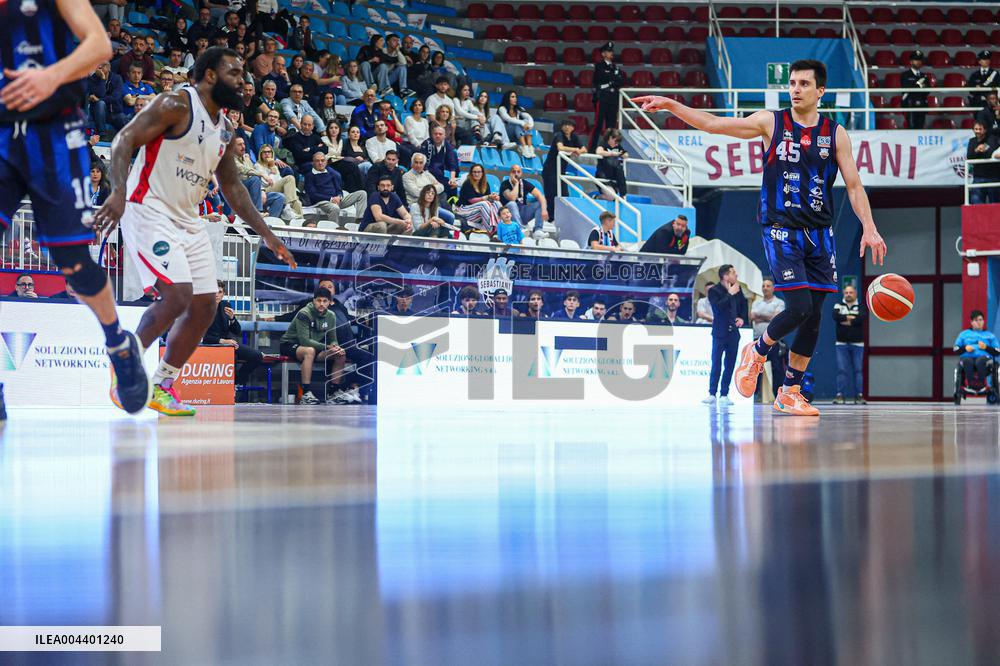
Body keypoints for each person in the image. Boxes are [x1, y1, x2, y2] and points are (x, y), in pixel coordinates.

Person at [635, 58, 887, 416]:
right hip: (781, 228)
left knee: (814, 316)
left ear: (821, 90)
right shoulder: (772, 122)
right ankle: (756, 351)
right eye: (792, 83)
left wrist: (870, 227)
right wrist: (672, 105)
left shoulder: (835, 134)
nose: (795, 89)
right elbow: (714, 124)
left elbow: (854, 185)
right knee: (799, 307)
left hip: (820, 233)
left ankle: (790, 391)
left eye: (804, 84)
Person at [95, 47, 296, 416]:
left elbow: (233, 187)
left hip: (187, 218)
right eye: (234, 73)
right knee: (177, 296)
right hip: (148, 207)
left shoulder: (226, 129)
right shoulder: (176, 104)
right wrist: (118, 192)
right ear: (210, 76)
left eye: (243, 74)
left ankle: (162, 384)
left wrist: (267, 233)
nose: (243, 81)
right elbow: (124, 140)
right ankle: (125, 361)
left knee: (205, 304)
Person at [0, 0, 150, 417]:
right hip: (2, 136)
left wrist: (50, 75)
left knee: (75, 263)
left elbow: (99, 45)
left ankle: (118, 344)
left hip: (53, 134)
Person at [279, 287, 347, 405]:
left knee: (340, 354)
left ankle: (333, 392)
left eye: (325, 301)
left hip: (314, 348)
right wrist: (327, 347)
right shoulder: (304, 313)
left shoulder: (331, 315)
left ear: (329, 302)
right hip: (290, 345)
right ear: (313, 300)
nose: (321, 304)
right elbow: (305, 341)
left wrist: (336, 347)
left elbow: (333, 339)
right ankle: (305, 393)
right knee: (309, 351)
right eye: (319, 300)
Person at [203, 281, 263, 395]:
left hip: (228, 344)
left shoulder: (225, 305)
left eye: (219, 292)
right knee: (232, 356)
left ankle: (236, 382)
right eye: (214, 292)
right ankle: (226, 389)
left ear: (223, 294)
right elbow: (203, 337)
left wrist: (232, 318)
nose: (216, 295)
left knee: (257, 356)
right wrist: (223, 341)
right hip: (211, 344)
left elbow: (237, 331)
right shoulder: (203, 308)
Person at [704, 265, 747, 406]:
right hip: (719, 332)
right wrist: (729, 294)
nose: (736, 275)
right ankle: (712, 393)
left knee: (730, 364)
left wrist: (742, 318)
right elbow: (717, 308)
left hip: (733, 332)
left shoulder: (737, 289)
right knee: (716, 362)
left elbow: (743, 304)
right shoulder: (714, 291)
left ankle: (724, 394)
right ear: (725, 276)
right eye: (733, 273)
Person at [303, 151, 368, 224]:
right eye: (317, 161)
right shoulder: (309, 176)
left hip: (336, 200)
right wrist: (331, 199)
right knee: (335, 208)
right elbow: (312, 195)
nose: (320, 163)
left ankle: (359, 221)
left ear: (326, 162)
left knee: (362, 194)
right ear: (313, 163)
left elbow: (339, 189)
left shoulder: (332, 173)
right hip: (321, 202)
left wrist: (339, 196)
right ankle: (334, 227)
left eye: (322, 160)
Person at [542, 119, 586, 221]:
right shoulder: (559, 135)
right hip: (550, 170)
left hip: (561, 171)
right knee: (551, 193)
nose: (567, 127)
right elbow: (560, 147)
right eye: (565, 125)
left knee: (564, 193)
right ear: (562, 127)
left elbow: (584, 149)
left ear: (573, 128)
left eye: (569, 125)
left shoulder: (574, 137)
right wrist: (575, 149)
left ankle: (563, 217)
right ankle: (551, 217)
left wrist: (579, 151)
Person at [750, 277, 786, 399]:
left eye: (768, 286)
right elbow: (752, 316)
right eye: (763, 286)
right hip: (757, 341)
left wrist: (760, 317)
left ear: (773, 288)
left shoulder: (779, 302)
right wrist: (769, 317)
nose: (765, 288)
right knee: (755, 369)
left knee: (777, 369)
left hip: (774, 342)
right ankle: (754, 395)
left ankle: (778, 396)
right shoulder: (756, 302)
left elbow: (776, 318)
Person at [831, 284, 866, 404]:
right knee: (842, 370)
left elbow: (861, 318)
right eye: (846, 292)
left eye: (850, 292)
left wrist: (846, 320)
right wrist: (852, 319)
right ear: (843, 293)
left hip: (858, 344)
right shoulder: (838, 305)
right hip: (841, 344)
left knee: (858, 370)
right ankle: (840, 395)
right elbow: (835, 316)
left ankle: (859, 395)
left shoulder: (861, 306)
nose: (848, 295)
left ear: (855, 293)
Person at [589, 42, 627, 152]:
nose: (611, 53)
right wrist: (613, 79)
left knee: (611, 126)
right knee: (598, 124)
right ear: (603, 53)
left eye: (611, 51)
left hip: (613, 98)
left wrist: (611, 80)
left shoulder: (615, 67)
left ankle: (609, 147)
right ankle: (592, 148)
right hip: (602, 97)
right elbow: (600, 78)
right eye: (609, 51)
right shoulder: (599, 66)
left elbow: (621, 81)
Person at [955, 310, 1000, 392]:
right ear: (971, 322)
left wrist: (986, 347)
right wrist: (965, 348)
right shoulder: (964, 334)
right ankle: (971, 384)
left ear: (983, 321)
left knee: (980, 361)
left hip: (985, 359)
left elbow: (997, 352)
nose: (979, 322)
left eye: (980, 320)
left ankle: (981, 384)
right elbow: (956, 349)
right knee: (967, 361)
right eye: (976, 320)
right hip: (967, 358)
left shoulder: (990, 335)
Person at [500, 164, 549, 240]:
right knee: (512, 204)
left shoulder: (524, 183)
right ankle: (519, 229)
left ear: (521, 173)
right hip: (509, 214)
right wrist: (516, 184)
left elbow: (540, 196)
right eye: (514, 172)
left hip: (522, 212)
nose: (516, 174)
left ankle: (538, 231)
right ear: (510, 173)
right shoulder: (505, 184)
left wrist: (544, 210)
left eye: (518, 171)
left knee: (540, 203)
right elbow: (512, 198)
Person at [456, 163, 501, 235]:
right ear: (471, 173)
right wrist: (486, 197)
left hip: (478, 212)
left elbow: (489, 200)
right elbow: (471, 200)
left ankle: (499, 229)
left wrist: (494, 198)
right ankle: (490, 231)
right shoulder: (468, 183)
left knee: (496, 203)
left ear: (482, 173)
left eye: (479, 172)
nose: (476, 174)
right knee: (484, 204)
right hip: (464, 211)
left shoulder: (486, 184)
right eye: (474, 172)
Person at [967, 120, 1000, 205]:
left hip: (993, 177)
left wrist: (984, 149)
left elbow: (990, 154)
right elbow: (969, 156)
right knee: (976, 204)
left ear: (985, 130)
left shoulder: (992, 139)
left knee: (995, 204)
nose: (978, 131)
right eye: (976, 129)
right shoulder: (972, 141)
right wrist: (976, 150)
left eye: (980, 129)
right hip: (978, 177)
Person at [497, 90, 535, 157]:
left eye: (515, 97)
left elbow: (528, 117)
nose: (515, 99)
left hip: (516, 135)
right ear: (507, 98)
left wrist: (530, 126)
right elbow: (508, 119)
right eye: (512, 97)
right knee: (517, 123)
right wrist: (522, 123)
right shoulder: (502, 108)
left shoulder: (519, 109)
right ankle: (524, 148)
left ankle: (530, 148)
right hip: (506, 135)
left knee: (526, 121)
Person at [900, 50, 929, 130]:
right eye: (916, 60)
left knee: (920, 127)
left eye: (920, 60)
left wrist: (916, 86)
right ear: (911, 62)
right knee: (911, 129)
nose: (918, 62)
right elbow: (907, 88)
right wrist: (919, 84)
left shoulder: (924, 76)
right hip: (910, 105)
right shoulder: (905, 75)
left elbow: (927, 90)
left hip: (922, 105)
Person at [595, 128, 628, 198]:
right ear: (610, 138)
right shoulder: (603, 144)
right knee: (611, 196)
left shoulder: (618, 146)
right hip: (603, 175)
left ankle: (622, 195)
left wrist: (620, 154)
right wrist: (612, 153)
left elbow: (626, 154)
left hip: (614, 176)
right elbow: (598, 151)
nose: (617, 143)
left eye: (618, 142)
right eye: (616, 141)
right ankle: (597, 197)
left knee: (615, 195)